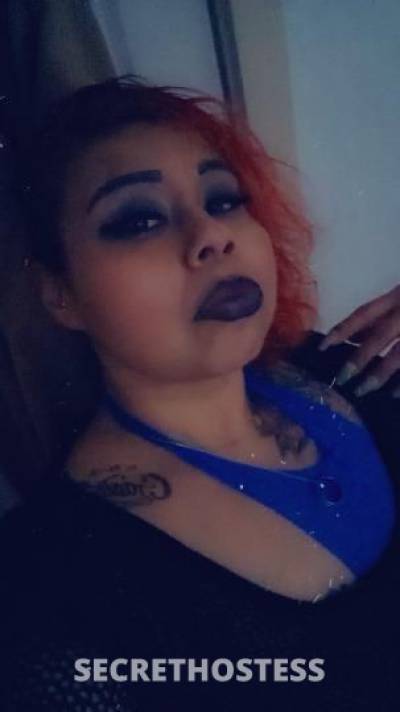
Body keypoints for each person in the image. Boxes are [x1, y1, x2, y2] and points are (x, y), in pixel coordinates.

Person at [0, 75, 398, 711]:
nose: (214, 234)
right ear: (60, 294)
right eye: (138, 220)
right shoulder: (50, 593)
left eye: (224, 199)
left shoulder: (341, 366)